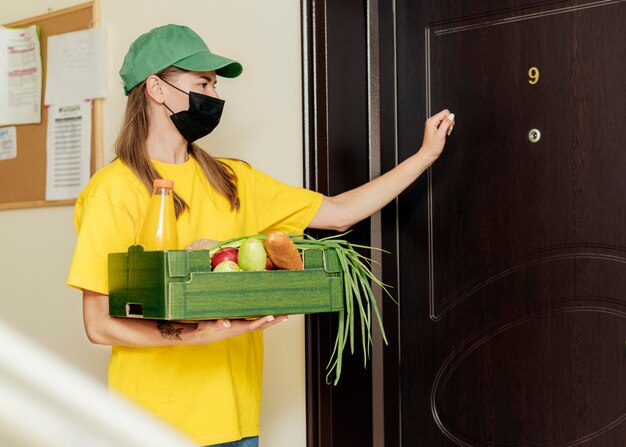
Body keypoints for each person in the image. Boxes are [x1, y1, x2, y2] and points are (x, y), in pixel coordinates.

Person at [67, 24, 454, 447]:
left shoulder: (234, 180)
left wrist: (424, 156)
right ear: (156, 89)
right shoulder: (114, 190)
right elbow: (99, 324)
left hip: (236, 423)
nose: (214, 97)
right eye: (201, 83)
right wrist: (196, 335)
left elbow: (341, 213)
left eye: (214, 85)